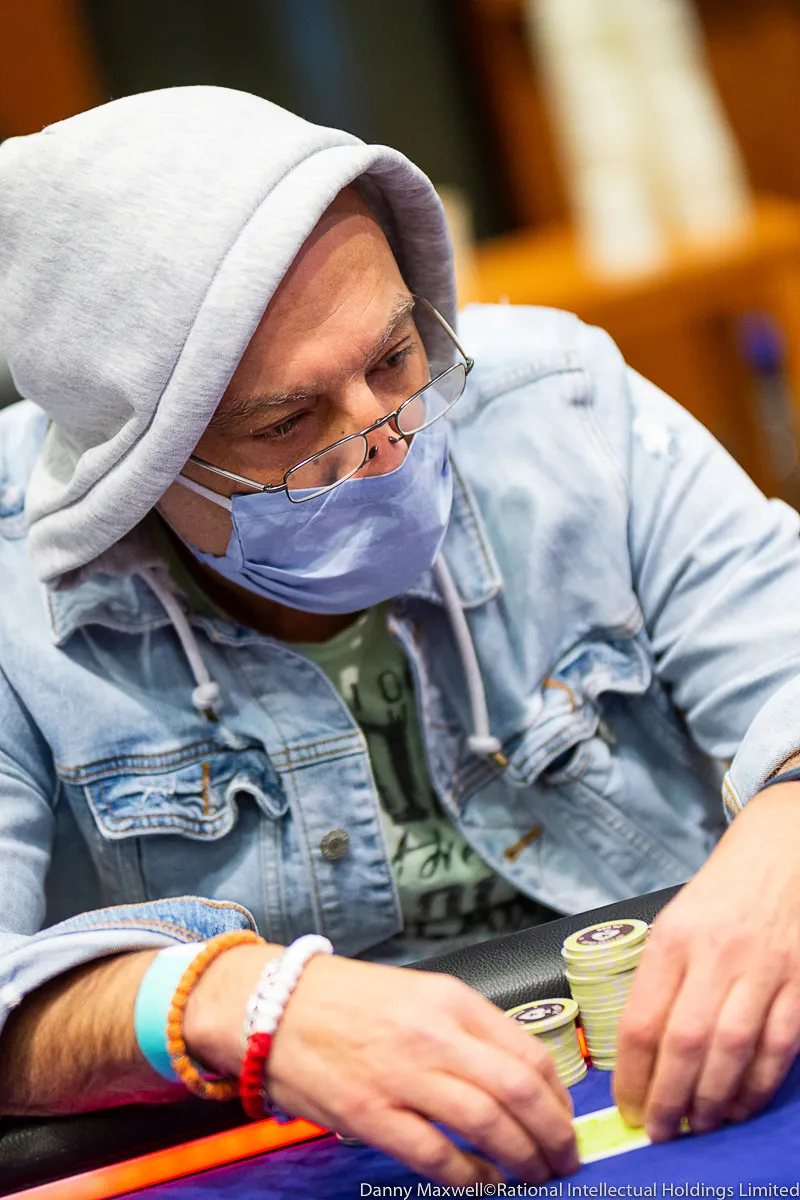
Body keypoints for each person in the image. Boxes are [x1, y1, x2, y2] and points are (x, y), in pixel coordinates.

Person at [1, 85, 800, 1188]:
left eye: (393, 359)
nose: (383, 443)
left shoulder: (565, 411)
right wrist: (235, 1002)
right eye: (287, 424)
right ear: (130, 470)